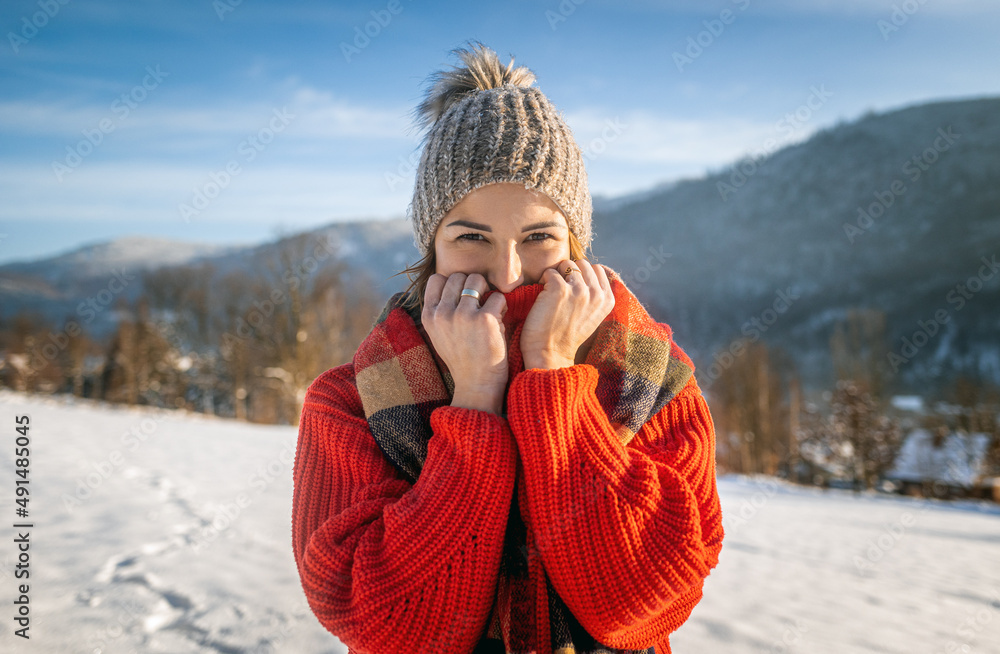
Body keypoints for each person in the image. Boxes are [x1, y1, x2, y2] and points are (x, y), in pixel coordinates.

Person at [292, 41, 724, 654]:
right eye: (472, 236)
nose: (509, 273)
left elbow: (639, 604)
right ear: (430, 244)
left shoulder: (654, 378)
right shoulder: (350, 403)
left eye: (539, 237)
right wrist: (474, 402)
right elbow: (389, 627)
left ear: (576, 243)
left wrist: (552, 378)